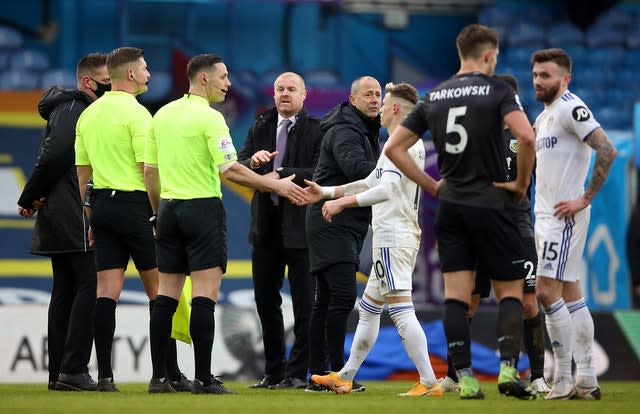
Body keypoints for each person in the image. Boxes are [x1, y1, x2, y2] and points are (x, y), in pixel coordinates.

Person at [385, 24, 537, 400]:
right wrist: (518, 184)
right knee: (510, 292)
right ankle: (506, 371)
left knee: (456, 296)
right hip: (490, 200)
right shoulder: (498, 90)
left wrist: (433, 185)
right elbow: (527, 137)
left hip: (450, 203)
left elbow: (393, 149)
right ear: (489, 55)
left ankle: (465, 378)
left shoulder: (435, 96)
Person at [144, 53, 306, 394]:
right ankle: (203, 377)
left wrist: (158, 213)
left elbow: (150, 173)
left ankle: (160, 378)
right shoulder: (211, 118)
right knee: (204, 294)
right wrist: (275, 184)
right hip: (202, 209)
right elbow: (229, 170)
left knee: (166, 297)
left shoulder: (161, 114)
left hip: (169, 209)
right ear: (204, 79)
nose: (228, 83)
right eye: (223, 76)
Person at [305, 82, 442, 397]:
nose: (379, 109)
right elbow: (370, 181)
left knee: (401, 309)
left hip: (393, 236)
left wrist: (341, 203)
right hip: (392, 234)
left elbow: (385, 190)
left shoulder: (399, 142)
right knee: (368, 310)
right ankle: (346, 376)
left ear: (395, 109)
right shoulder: (401, 142)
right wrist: (326, 192)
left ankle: (430, 381)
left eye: (384, 103)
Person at [75, 47, 188, 392]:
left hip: (103, 208)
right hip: (137, 208)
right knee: (161, 293)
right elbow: (147, 171)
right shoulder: (139, 116)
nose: (149, 74)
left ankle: (106, 377)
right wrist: (158, 214)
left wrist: (91, 219)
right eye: (145, 68)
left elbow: (83, 176)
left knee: (106, 292)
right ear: (130, 75)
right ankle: (163, 376)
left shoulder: (89, 115)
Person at [438, 74, 550, 395]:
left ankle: (535, 375)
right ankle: (454, 375)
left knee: (526, 304)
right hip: (475, 228)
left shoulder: (526, 137)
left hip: (515, 228)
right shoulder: (469, 137)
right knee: (467, 303)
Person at [16, 53, 110, 391]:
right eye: (105, 79)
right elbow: (57, 155)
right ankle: (74, 369)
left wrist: (35, 195)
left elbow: (52, 159)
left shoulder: (67, 109)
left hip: (60, 208)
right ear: (88, 81)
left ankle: (59, 373)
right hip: (73, 209)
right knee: (88, 285)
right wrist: (30, 196)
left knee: (67, 290)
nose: (110, 85)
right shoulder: (76, 109)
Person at [530, 48, 617, 400]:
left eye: (545, 75)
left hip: (563, 216)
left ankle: (563, 377)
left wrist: (585, 198)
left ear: (565, 78)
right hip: (545, 216)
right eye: (535, 74)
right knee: (570, 294)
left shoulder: (570, 108)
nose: (538, 81)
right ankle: (587, 379)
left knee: (545, 292)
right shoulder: (544, 116)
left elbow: (606, 149)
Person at [238, 72, 322, 390]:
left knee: (304, 304)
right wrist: (254, 161)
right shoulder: (260, 125)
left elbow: (322, 171)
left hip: (302, 228)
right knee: (265, 302)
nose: (284, 94)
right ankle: (274, 371)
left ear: (304, 94)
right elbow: (239, 163)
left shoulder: (317, 129)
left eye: (291, 89)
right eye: (279, 89)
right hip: (266, 227)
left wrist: (282, 173)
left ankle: (298, 373)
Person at [305, 76, 382, 392]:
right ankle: (337, 373)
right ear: (353, 99)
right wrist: (390, 170)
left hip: (342, 220)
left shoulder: (360, 128)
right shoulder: (345, 130)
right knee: (340, 296)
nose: (375, 99)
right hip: (331, 220)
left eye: (378, 94)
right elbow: (357, 169)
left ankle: (319, 375)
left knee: (325, 301)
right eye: (368, 94)